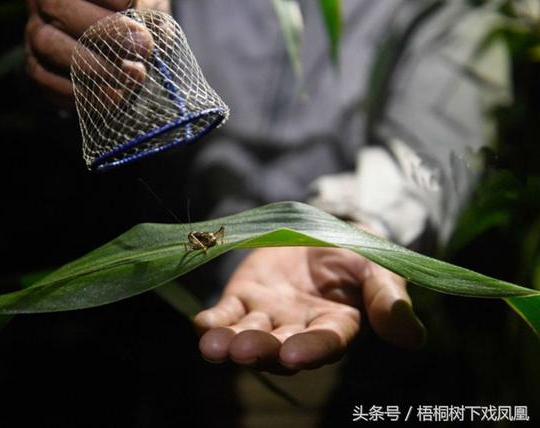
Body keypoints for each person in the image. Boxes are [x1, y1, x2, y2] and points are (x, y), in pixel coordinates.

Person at [25, 0, 504, 374]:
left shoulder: (460, 14)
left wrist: (357, 226)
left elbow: (440, 137)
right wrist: (81, 56)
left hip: (340, 320)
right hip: (157, 313)